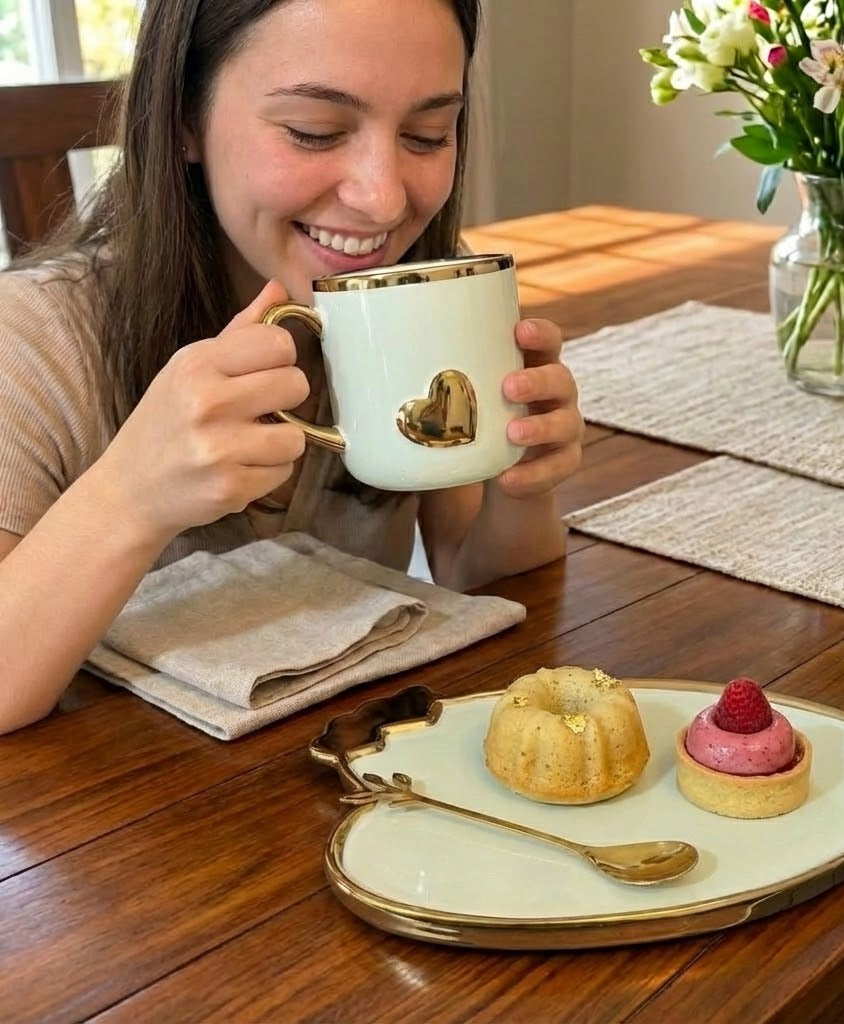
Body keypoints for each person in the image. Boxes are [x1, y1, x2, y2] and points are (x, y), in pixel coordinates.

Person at [0, 0, 584, 734]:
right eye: (315, 131)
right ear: (184, 117)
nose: (384, 198)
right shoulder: (29, 341)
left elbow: (473, 578)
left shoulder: (414, 303)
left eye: (428, 134)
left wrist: (524, 480)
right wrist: (129, 497)